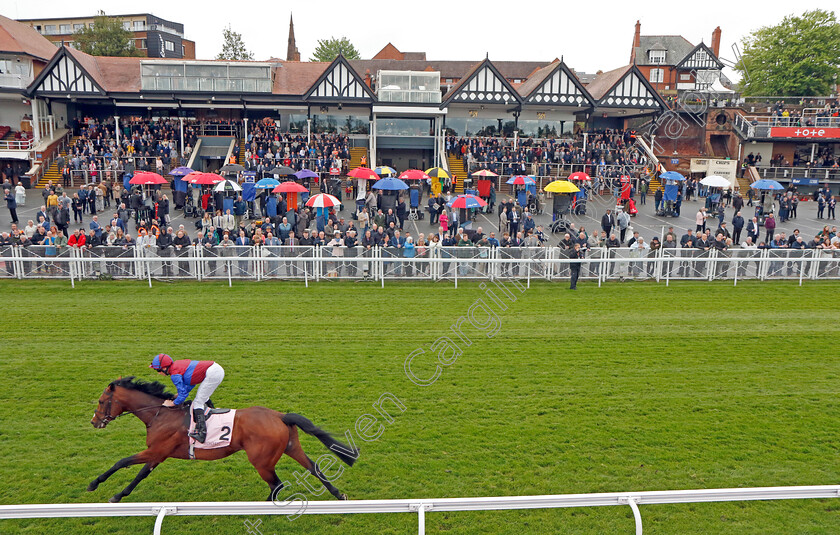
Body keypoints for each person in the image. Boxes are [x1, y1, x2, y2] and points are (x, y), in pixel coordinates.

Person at [149, 354, 225, 444]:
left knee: (198, 402)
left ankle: (202, 433)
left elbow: (183, 395)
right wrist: (176, 396)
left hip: (213, 373)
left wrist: (172, 404)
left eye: (158, 370)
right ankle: (213, 417)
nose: (158, 373)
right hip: (215, 369)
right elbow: (190, 383)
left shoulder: (175, 375)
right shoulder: (177, 366)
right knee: (203, 397)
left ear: (164, 368)